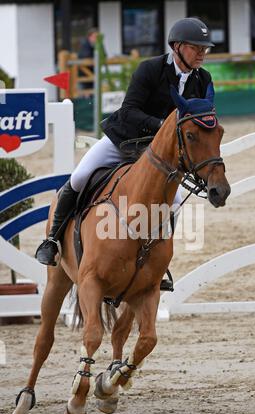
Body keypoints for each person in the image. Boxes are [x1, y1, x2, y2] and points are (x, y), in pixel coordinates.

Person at [35, 17, 215, 289]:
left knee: (175, 201)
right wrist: (163, 128)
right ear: (177, 47)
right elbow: (130, 110)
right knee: (79, 177)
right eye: (196, 47)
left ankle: (157, 264)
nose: (202, 54)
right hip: (124, 140)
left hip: (159, 156)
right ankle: (51, 240)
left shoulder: (203, 79)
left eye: (205, 49)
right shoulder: (150, 69)